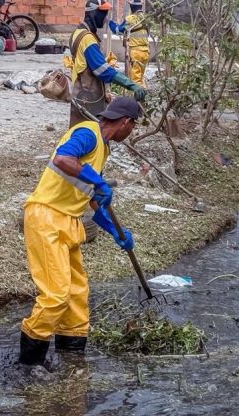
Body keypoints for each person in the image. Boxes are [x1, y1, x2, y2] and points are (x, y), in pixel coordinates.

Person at [19, 97, 141, 367]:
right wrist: (98, 181)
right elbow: (63, 158)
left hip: (69, 221)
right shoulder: (88, 133)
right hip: (46, 216)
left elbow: (93, 197)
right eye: (134, 126)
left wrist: (114, 230)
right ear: (125, 122)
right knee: (56, 295)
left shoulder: (103, 149)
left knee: (76, 292)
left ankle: (71, 353)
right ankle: (28, 364)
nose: (132, 132)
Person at [68, 0, 146, 127]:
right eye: (103, 14)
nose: (105, 18)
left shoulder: (78, 32)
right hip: (88, 94)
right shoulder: (87, 39)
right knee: (91, 133)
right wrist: (131, 85)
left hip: (80, 91)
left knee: (80, 130)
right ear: (93, 13)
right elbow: (102, 70)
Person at [109, 0, 150, 88]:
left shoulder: (130, 19)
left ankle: (139, 99)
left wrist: (110, 22)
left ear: (131, 6)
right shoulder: (145, 18)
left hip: (136, 52)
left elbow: (117, 30)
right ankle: (144, 95)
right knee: (140, 77)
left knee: (135, 80)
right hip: (146, 52)